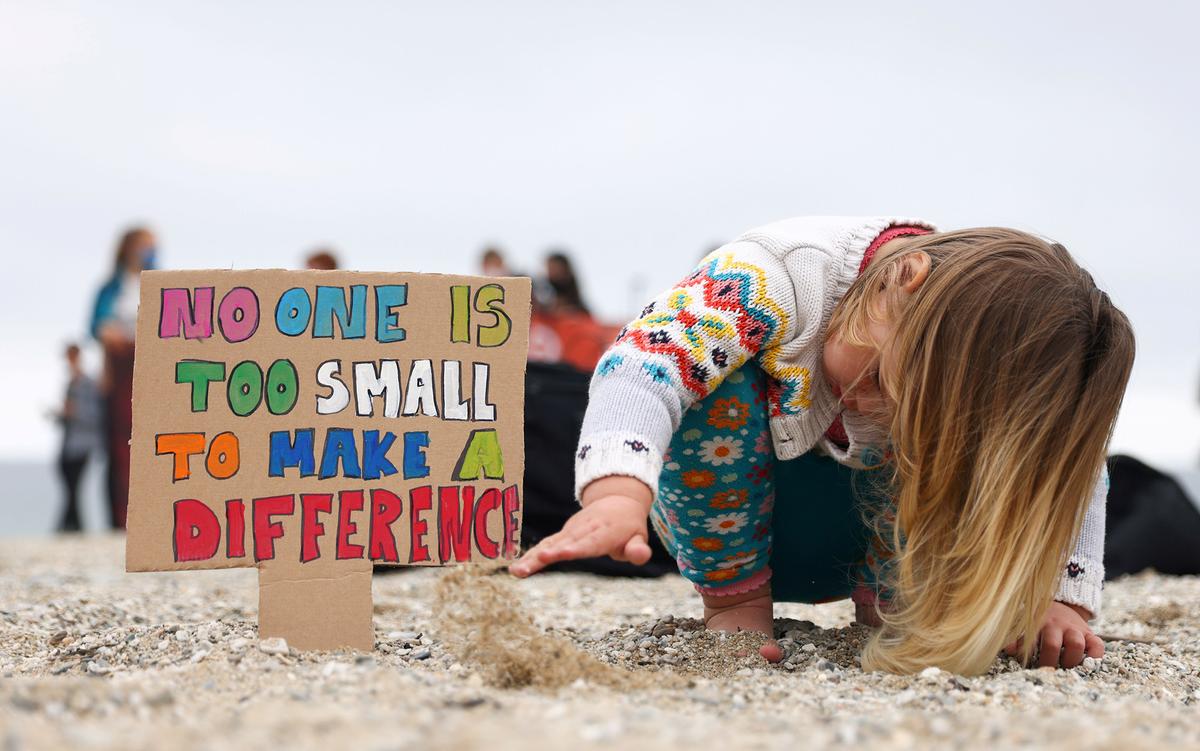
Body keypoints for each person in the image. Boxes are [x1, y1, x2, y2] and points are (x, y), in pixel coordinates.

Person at [512, 217, 1134, 676]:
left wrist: (1060, 599)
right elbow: (645, 365)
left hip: (871, 540)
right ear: (902, 279)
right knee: (714, 385)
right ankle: (737, 606)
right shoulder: (772, 278)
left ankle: (891, 607)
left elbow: (1071, 465)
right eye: (882, 380)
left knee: (945, 446)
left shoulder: (968, 353)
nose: (871, 406)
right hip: (731, 520)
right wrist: (616, 494)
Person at [90, 226, 157, 530]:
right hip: (120, 369)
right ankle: (120, 518)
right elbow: (96, 326)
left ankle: (151, 514)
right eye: (144, 245)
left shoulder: (158, 282)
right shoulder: (110, 288)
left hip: (151, 366)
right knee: (120, 443)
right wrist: (110, 334)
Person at [52, 343, 102, 532]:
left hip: (82, 445)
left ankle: (68, 527)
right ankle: (74, 526)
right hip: (68, 442)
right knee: (69, 486)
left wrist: (74, 411)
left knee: (74, 487)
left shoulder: (88, 383)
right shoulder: (70, 382)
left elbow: (95, 415)